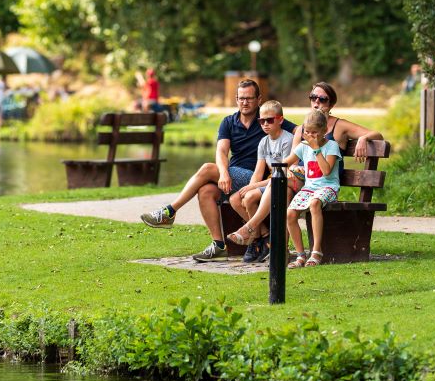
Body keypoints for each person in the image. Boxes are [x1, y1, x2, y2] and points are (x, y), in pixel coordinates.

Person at [139, 77, 268, 261]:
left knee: (207, 168)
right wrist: (224, 172)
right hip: (232, 177)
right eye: (241, 98)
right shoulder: (229, 122)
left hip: (255, 180)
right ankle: (218, 245)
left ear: (258, 99)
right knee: (206, 191)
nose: (245, 102)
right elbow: (221, 151)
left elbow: (298, 130)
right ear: (236, 99)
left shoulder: (266, 120)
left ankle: (169, 211)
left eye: (249, 98)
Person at [223, 100, 301, 262]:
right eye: (261, 121)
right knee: (238, 198)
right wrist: (249, 187)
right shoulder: (264, 142)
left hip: (288, 182)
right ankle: (262, 238)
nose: (265, 124)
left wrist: (255, 186)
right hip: (273, 181)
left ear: (280, 120)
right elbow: (258, 172)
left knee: (275, 195)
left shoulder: (287, 140)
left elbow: (284, 172)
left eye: (269, 120)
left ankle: (270, 242)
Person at [284, 109, 341, 268]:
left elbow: (326, 171)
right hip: (309, 188)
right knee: (290, 213)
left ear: (325, 131)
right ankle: (301, 254)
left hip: (328, 187)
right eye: (307, 132)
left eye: (314, 133)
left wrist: (316, 149)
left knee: (315, 203)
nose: (310, 136)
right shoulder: (303, 146)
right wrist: (286, 168)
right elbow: (286, 162)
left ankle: (316, 250)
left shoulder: (332, 146)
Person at [294, 81, 385, 160]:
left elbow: (378, 135)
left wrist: (363, 138)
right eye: (313, 97)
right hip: (302, 176)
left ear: (331, 105)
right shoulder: (301, 129)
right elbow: (292, 161)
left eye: (322, 99)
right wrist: (294, 168)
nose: (316, 102)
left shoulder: (340, 125)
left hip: (327, 177)